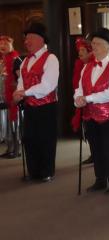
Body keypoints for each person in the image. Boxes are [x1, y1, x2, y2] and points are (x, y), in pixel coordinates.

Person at [74, 27, 109, 194]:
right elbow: (79, 87)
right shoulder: (86, 67)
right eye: (92, 43)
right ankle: (100, 180)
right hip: (89, 115)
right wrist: (78, 98)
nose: (93, 46)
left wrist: (87, 98)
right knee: (96, 148)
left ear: (107, 47)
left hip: (108, 115)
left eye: (97, 43)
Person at [13, 22, 59, 183]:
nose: (26, 41)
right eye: (26, 38)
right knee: (29, 138)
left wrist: (24, 92)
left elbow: (48, 85)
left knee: (45, 139)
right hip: (30, 106)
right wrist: (18, 92)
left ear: (40, 39)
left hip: (46, 106)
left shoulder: (51, 58)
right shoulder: (25, 61)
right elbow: (21, 80)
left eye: (29, 38)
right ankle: (34, 171)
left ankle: (47, 171)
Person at [71, 37, 94, 165]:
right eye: (79, 50)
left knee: (93, 131)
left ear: (90, 52)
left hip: (93, 102)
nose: (80, 52)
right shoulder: (80, 65)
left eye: (83, 50)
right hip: (82, 101)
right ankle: (93, 153)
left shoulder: (93, 65)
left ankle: (98, 154)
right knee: (87, 129)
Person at [0, 36, 20, 158]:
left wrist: (16, 85)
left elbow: (23, 79)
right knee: (6, 124)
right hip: (3, 98)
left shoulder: (16, 60)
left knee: (14, 123)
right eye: (0, 44)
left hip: (14, 98)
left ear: (11, 45)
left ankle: (16, 149)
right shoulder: (2, 61)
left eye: (5, 44)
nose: (2, 46)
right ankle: (9, 147)